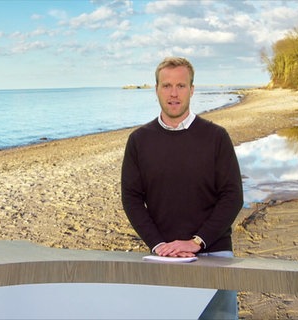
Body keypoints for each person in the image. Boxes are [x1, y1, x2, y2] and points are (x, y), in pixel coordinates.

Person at [121, 57, 243, 319]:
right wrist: (157, 244)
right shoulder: (139, 141)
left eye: (180, 85)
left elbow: (232, 196)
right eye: (166, 85)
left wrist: (196, 242)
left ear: (192, 89)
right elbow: (131, 198)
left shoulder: (216, 137)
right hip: (162, 256)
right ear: (156, 90)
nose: (173, 93)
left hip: (215, 253)